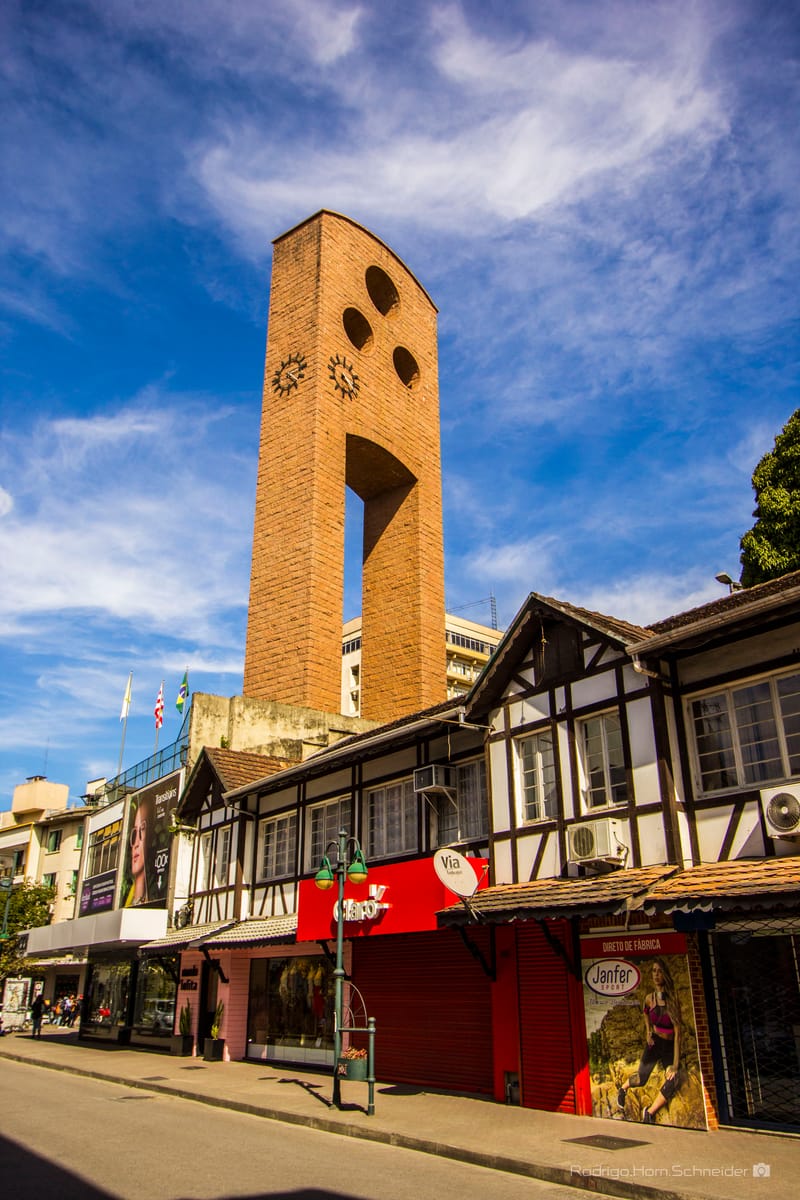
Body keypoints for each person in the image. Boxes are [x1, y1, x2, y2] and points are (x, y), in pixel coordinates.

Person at [617, 958, 682, 1124]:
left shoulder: (672, 1000)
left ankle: (649, 1112)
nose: (656, 974)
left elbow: (678, 1033)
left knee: (674, 1079)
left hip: (668, 1045)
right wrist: (648, 1031)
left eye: (659, 971)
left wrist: (675, 1064)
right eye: (654, 971)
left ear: (665, 974)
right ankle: (623, 1089)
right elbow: (645, 1013)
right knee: (641, 1079)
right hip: (654, 1043)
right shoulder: (649, 998)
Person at [125, 793, 155, 906]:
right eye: (134, 833)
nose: (136, 844)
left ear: (151, 837)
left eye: (142, 830)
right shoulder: (126, 900)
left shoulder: (154, 897)